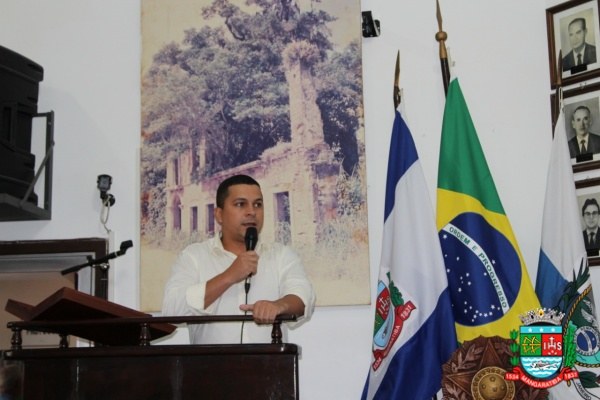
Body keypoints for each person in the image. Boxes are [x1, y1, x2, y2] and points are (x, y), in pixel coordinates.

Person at [162, 174, 315, 344]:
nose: (252, 212)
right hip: (211, 361)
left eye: (257, 204)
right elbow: (172, 310)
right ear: (219, 215)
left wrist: (278, 306)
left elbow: (302, 298)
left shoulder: (281, 255)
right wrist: (229, 276)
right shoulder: (194, 256)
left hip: (268, 361)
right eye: (241, 204)